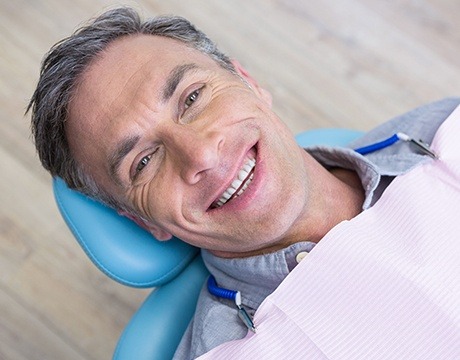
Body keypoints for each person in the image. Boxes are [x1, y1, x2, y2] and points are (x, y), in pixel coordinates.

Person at [27, 7, 459, 359]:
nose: (202, 155)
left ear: (247, 82)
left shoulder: (446, 132)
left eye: (192, 98)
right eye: (143, 162)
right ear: (143, 222)